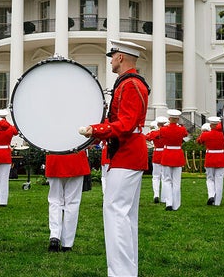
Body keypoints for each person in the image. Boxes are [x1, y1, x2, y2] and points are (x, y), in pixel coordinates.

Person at [79, 39, 149, 277]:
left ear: (120, 57)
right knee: (125, 215)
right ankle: (126, 271)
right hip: (126, 153)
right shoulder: (128, 83)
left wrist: (96, 130)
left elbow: (127, 124)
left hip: (126, 154)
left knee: (116, 213)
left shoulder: (130, 84)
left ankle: (121, 273)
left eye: (112, 56)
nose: (110, 60)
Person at [45, 149, 90, 252]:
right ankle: (67, 243)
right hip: (76, 158)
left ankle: (54, 236)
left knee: (55, 201)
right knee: (72, 203)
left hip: (54, 157)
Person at [159, 109, 188, 211]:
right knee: (176, 182)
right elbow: (185, 136)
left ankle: (168, 203)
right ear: (178, 119)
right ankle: (176, 204)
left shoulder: (163, 129)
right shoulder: (182, 129)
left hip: (167, 154)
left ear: (169, 118)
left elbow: (161, 136)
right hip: (177, 155)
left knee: (167, 180)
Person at [196, 116, 224, 206]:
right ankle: (217, 202)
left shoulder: (205, 134)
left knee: (210, 179)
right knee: (219, 180)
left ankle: (211, 195)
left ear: (211, 125)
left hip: (210, 157)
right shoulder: (223, 135)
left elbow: (199, 141)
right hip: (220, 157)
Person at [0, 109, 18, 208]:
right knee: (4, 179)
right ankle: (3, 201)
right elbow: (16, 131)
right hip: (6, 153)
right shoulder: (10, 127)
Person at [145, 117, 167, 204]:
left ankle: (156, 194)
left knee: (156, 177)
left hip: (157, 154)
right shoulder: (167, 132)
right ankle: (165, 196)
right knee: (165, 177)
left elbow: (146, 137)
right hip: (165, 153)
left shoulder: (154, 133)